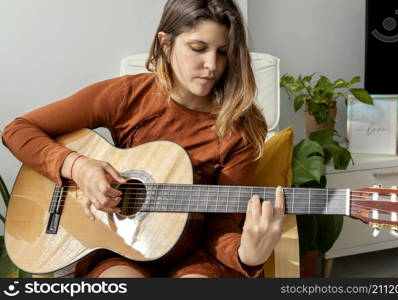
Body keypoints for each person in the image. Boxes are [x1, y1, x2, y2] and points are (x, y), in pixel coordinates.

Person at [2, 0, 285, 278]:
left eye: (222, 52)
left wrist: (246, 254)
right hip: (120, 246)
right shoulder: (128, 95)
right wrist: (78, 167)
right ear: (166, 43)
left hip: (197, 255)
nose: (212, 65)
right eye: (198, 48)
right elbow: (17, 130)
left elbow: (221, 222)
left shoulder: (241, 127)